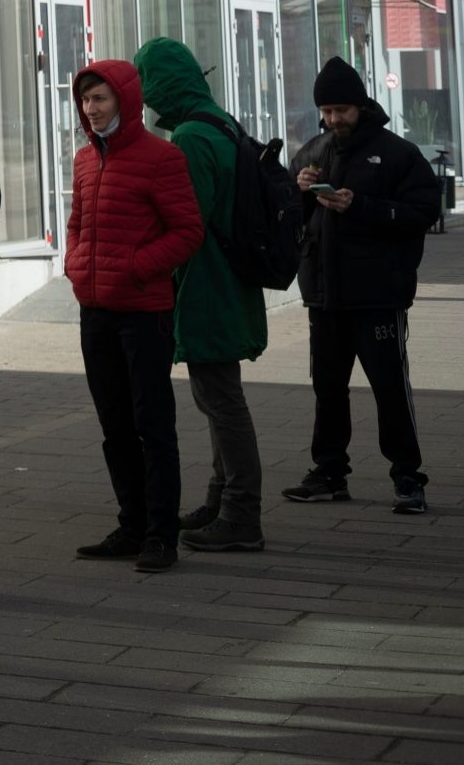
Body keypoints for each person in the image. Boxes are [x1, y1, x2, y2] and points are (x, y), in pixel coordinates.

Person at [281, 57, 440, 515]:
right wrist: (299, 189)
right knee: (327, 388)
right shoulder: (313, 151)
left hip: (377, 294)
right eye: (327, 112)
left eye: (341, 111)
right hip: (324, 294)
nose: (334, 120)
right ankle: (329, 472)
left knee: (390, 388)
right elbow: (289, 213)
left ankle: (408, 476)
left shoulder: (396, 153)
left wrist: (363, 206)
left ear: (361, 106)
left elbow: (423, 210)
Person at [65, 60, 201, 573]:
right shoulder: (84, 160)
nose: (91, 109)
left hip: (144, 313)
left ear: (125, 99)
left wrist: (136, 268)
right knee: (114, 423)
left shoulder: (162, 158)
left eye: (100, 99)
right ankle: (132, 523)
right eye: (85, 101)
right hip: (95, 310)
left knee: (152, 424)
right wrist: (77, 267)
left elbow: (187, 231)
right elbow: (78, 222)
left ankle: (162, 533)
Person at [133, 37, 268, 554]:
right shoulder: (222, 122)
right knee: (217, 397)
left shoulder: (191, 137)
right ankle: (220, 498)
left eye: (148, 87)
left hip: (207, 284)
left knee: (221, 399)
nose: (145, 101)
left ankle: (241, 513)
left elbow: (185, 221)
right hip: (230, 280)